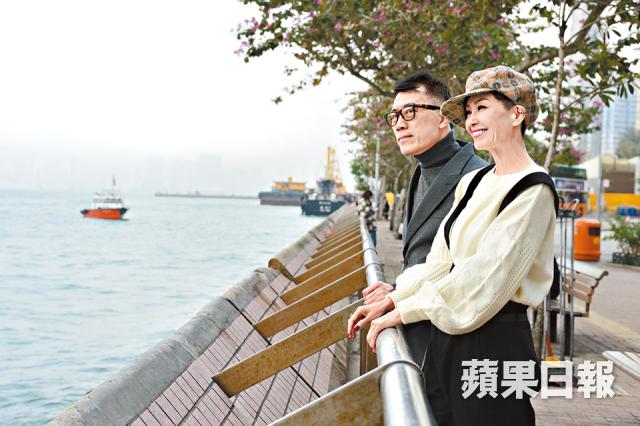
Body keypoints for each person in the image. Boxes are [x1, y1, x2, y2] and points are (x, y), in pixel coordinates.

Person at [348, 66, 557, 426]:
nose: (472, 120)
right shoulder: (474, 182)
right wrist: (393, 299)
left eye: (483, 108)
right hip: (448, 338)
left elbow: (485, 278)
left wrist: (402, 311)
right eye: (469, 111)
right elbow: (440, 263)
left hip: (494, 344)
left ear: (516, 114)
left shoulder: (533, 188)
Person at [362, 70, 486, 368]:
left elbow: (470, 272)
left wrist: (399, 300)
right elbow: (427, 257)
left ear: (443, 117)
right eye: (394, 116)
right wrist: (397, 287)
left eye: (410, 112)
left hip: (457, 345)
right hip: (421, 333)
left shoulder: (478, 177)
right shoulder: (420, 171)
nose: (399, 124)